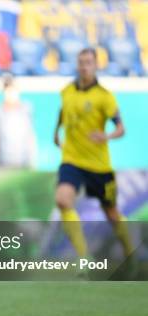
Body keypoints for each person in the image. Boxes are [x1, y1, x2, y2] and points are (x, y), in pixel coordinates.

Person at [54, 48, 135, 272]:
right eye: (81, 62)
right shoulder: (67, 90)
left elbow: (121, 128)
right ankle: (84, 259)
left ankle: (131, 255)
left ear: (96, 65)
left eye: (88, 62)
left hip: (99, 165)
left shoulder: (104, 96)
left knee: (112, 213)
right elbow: (64, 112)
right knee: (63, 200)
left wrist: (106, 135)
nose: (84, 66)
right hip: (72, 159)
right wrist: (56, 132)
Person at [0, 73, 37, 169]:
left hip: (24, 160)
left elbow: (31, 135)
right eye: (7, 89)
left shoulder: (26, 109)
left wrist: (33, 159)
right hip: (4, 162)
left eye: (12, 88)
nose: (10, 92)